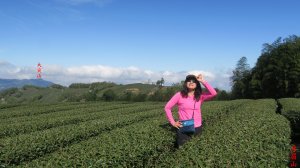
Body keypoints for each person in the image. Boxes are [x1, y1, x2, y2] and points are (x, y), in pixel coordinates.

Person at [164, 74, 217, 148]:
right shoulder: (179, 95)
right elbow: (167, 108)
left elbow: (213, 93)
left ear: (197, 84)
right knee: (182, 149)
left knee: (196, 150)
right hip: (184, 127)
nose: (191, 82)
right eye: (189, 81)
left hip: (197, 127)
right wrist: (173, 122)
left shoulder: (200, 96)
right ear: (186, 83)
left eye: (194, 81)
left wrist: (202, 81)